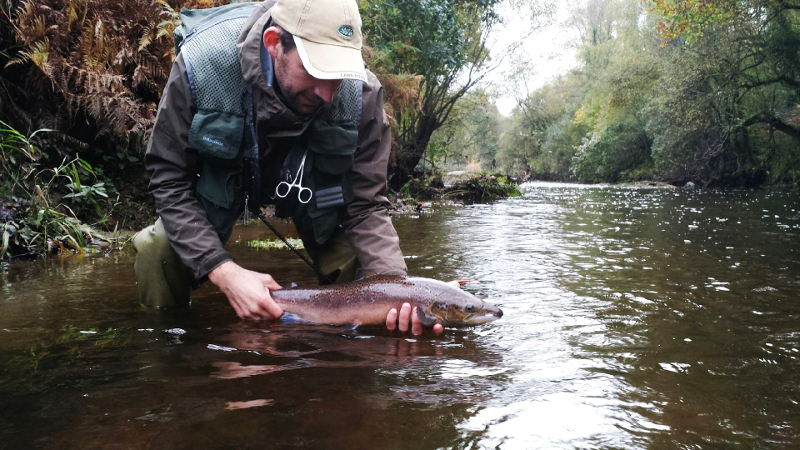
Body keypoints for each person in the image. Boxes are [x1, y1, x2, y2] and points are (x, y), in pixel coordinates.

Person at [133, 0, 443, 335]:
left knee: (371, 273)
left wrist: (396, 291)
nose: (327, 93)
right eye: (316, 71)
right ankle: (166, 345)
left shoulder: (361, 94)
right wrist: (222, 270)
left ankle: (349, 375)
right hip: (220, 190)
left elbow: (366, 206)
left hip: (318, 203)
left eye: (337, 76)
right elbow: (169, 178)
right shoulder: (203, 66)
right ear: (273, 43)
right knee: (157, 250)